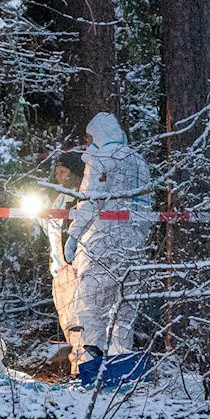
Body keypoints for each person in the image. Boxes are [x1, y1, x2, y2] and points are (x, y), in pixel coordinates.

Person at [65, 113, 153, 374]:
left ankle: (95, 368)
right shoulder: (138, 161)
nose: (88, 143)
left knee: (91, 304)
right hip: (134, 247)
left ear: (98, 134)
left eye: (90, 137)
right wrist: (138, 237)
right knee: (124, 311)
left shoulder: (101, 158)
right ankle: (123, 369)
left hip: (104, 243)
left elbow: (90, 202)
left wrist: (74, 235)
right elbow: (147, 206)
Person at [42, 152, 86, 370]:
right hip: (59, 268)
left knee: (81, 321)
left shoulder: (83, 198)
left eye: (63, 172)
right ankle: (75, 366)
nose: (59, 177)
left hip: (77, 269)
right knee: (67, 320)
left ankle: (82, 369)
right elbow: (52, 230)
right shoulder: (59, 198)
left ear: (75, 174)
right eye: (57, 172)